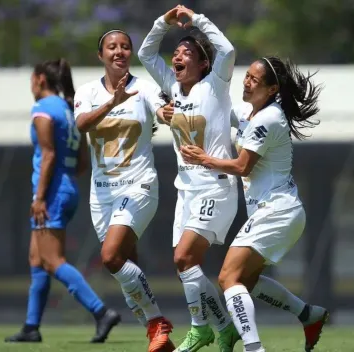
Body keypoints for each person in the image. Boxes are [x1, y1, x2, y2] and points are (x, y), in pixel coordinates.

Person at [180, 56, 329, 352]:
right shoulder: (252, 112)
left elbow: (242, 166)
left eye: (254, 79)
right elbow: (220, 111)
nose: (246, 82)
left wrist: (204, 159)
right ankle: (307, 314)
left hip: (276, 210)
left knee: (227, 277)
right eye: (246, 75)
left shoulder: (268, 118)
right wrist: (177, 107)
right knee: (245, 282)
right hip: (275, 211)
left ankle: (253, 348)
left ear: (272, 89)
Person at [138, 5, 241, 352]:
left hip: (216, 186)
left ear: (203, 65)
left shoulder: (215, 85)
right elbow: (145, 52)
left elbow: (227, 49)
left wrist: (196, 19)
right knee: (185, 265)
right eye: (177, 52)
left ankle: (203, 328)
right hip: (186, 191)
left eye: (188, 53)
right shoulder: (171, 86)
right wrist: (163, 22)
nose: (178, 57)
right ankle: (220, 328)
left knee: (184, 259)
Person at [5, 58, 120, 344]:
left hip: (52, 192)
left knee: (52, 260)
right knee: (38, 259)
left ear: (40, 79)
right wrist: (64, 181)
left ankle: (101, 311)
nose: (31, 85)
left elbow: (48, 155)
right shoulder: (69, 110)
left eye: (32, 79)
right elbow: (82, 161)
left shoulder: (44, 109)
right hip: (67, 187)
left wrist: (41, 197)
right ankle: (31, 327)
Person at [74, 29, 175, 352]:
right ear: (100, 55)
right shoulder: (88, 91)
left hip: (139, 185)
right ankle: (159, 336)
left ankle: (158, 324)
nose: (119, 52)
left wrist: (168, 114)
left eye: (125, 47)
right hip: (101, 194)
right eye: (112, 47)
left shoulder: (143, 87)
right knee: (125, 264)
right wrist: (111, 103)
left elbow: (161, 111)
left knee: (110, 257)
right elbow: (82, 124)